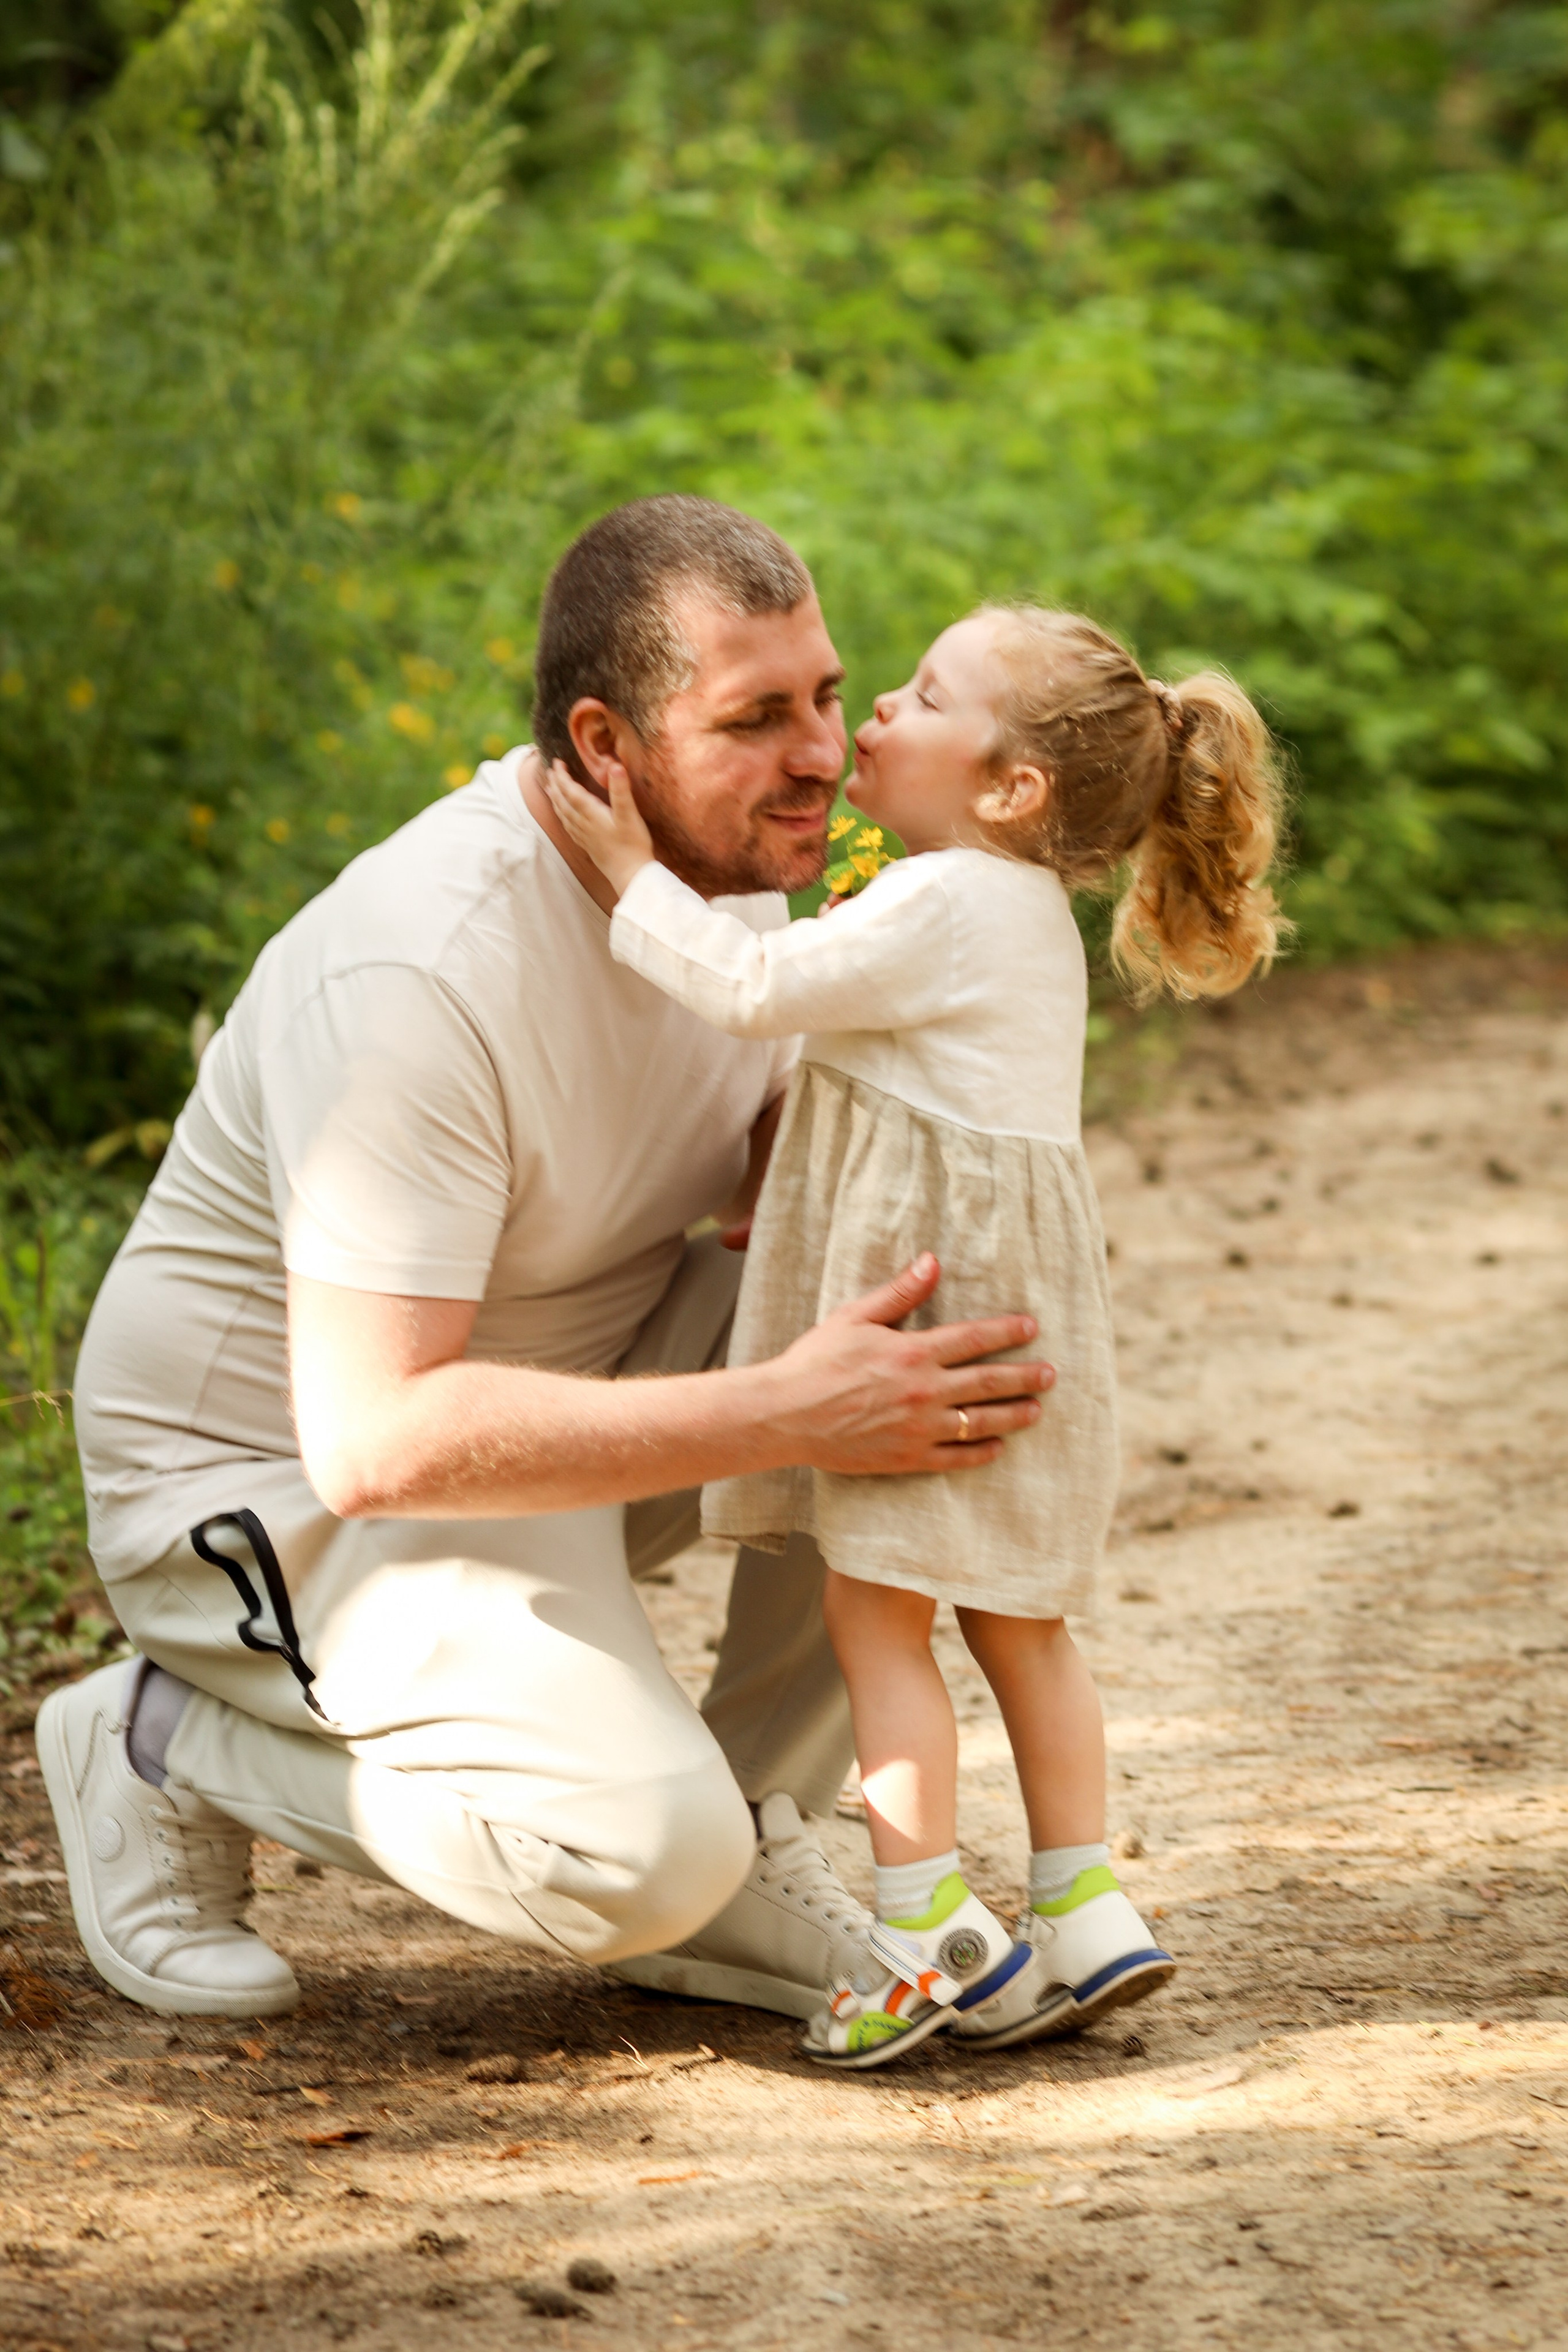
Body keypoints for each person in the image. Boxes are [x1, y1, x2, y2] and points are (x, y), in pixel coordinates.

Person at [38, 497, 1055, 2027]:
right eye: (756, 717)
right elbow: (377, 1442)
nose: (824, 756)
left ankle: (756, 1831)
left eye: (830, 695)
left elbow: (771, 1179)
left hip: (551, 1414)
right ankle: (160, 1734)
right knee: (636, 1853)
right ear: (604, 746)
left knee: (935, 1336)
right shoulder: (424, 971)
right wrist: (789, 1409)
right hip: (274, 1494)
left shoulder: (731, 883)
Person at [546, 601, 1286, 2067]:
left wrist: (627, 871)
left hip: (925, 1320)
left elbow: (749, 989)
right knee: (1021, 1620)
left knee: (876, 1620)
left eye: (924, 695)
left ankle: (922, 1920)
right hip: (1015, 1313)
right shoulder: (1017, 915)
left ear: (1010, 788)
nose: (876, 709)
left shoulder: (943, 900)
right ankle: (1081, 1904)